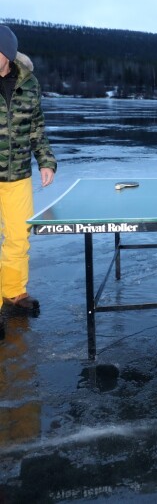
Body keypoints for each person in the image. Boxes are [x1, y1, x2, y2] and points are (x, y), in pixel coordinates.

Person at [0, 25, 57, 311]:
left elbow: (36, 127)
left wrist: (45, 161)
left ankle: (13, 292)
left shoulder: (29, 83)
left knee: (19, 236)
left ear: (8, 53)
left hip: (18, 175)